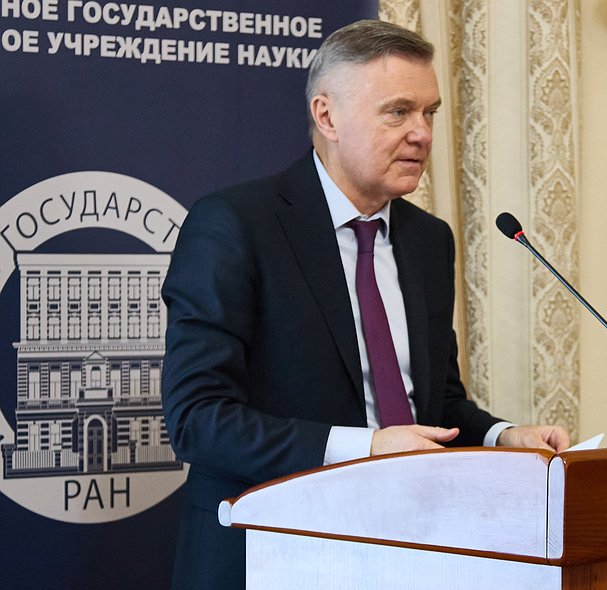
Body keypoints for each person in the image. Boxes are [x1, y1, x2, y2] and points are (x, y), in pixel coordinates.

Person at [161, 19, 570, 590]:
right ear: (327, 117)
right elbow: (197, 419)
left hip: (410, 550)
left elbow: (438, 403)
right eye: (398, 112)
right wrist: (367, 448)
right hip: (273, 549)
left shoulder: (428, 240)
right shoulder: (235, 226)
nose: (422, 134)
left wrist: (503, 436)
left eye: (429, 113)